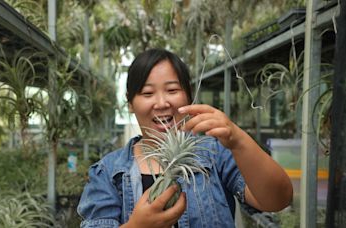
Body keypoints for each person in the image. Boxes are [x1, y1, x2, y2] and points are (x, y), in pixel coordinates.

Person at [77, 48, 293, 228]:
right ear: (130, 104)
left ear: (188, 96)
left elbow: (278, 199)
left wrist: (238, 140)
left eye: (172, 90)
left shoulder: (214, 154)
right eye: (147, 93)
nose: (161, 103)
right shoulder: (107, 172)